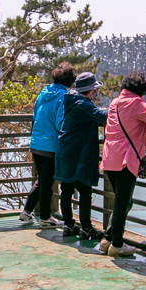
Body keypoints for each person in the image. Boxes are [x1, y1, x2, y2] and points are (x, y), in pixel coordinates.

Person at [99, 72, 146, 257]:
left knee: (123, 202)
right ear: (140, 91)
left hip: (109, 158)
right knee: (122, 204)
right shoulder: (135, 103)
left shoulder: (114, 103)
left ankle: (108, 239)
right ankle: (117, 245)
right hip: (125, 160)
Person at [20, 62, 76, 228]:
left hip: (36, 142)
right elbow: (60, 123)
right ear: (70, 81)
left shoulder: (43, 93)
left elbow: (35, 114)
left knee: (42, 180)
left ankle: (27, 211)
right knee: (46, 182)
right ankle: (45, 218)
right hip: (50, 145)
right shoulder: (62, 97)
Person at [54, 72, 107, 240]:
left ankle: (68, 225)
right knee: (84, 190)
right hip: (78, 155)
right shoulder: (82, 104)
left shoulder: (72, 101)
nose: (96, 93)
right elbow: (103, 117)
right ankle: (86, 227)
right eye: (95, 90)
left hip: (67, 152)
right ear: (90, 91)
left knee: (66, 190)